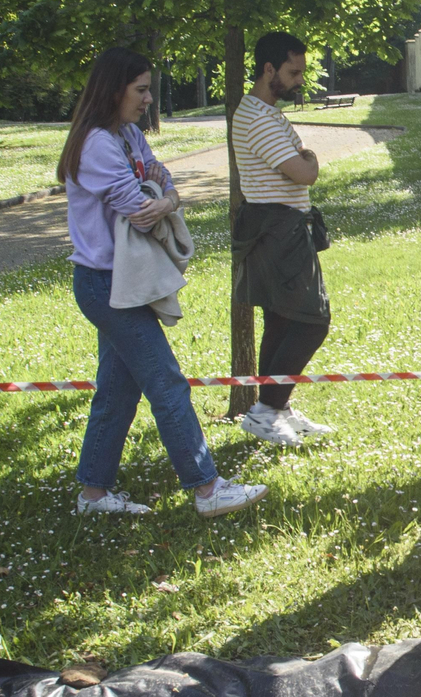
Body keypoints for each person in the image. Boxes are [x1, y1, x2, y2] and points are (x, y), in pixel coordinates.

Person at [58, 46, 267, 518]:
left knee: (116, 392)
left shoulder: (128, 134)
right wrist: (165, 200)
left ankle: (93, 495)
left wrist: (166, 197)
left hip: (123, 282)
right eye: (141, 89)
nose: (149, 98)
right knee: (168, 383)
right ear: (114, 90)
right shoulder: (95, 143)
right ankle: (207, 489)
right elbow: (140, 210)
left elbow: (161, 179)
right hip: (106, 286)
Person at [229, 31, 333, 447]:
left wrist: (305, 158)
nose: (298, 80)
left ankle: (276, 408)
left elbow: (300, 160)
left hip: (280, 228)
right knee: (313, 322)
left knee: (282, 319)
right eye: (293, 72)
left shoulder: (267, 112)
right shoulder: (257, 116)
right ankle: (266, 410)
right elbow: (304, 170)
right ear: (268, 68)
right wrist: (309, 159)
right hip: (279, 230)